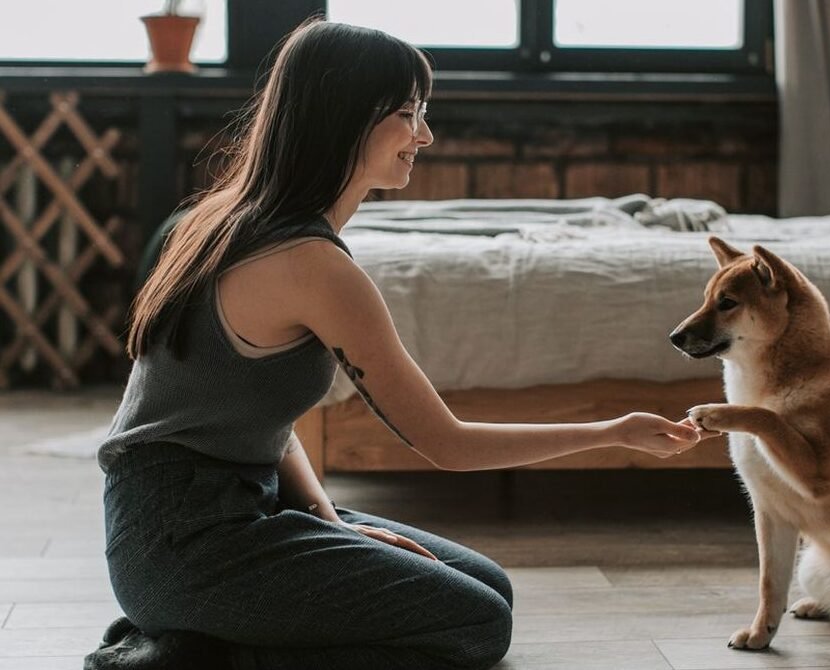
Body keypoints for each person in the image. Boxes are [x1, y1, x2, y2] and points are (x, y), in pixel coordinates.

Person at [85, 19, 704, 670]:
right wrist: (613, 431)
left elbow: (263, 416)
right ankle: (185, 656)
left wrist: (329, 522)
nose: (425, 135)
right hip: (189, 543)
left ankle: (199, 631)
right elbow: (447, 443)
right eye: (408, 114)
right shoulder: (309, 264)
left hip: (207, 515)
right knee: (477, 624)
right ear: (346, 119)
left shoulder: (233, 217)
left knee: (489, 587)